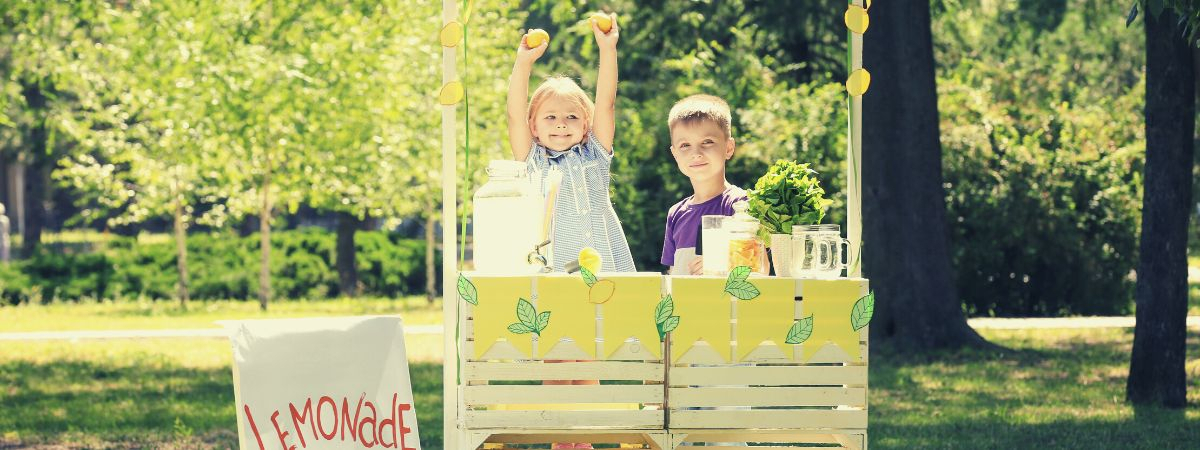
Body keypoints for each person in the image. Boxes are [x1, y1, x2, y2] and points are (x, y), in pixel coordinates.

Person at [508, 12, 635, 275]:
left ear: (586, 123)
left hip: (607, 266)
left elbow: (606, 104)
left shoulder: (595, 155)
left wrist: (608, 48)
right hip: (556, 270)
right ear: (533, 126)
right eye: (550, 117)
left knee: (614, 315)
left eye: (572, 116)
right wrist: (523, 63)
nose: (561, 124)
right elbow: (514, 116)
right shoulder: (533, 161)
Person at [661, 94, 748, 275]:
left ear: (729, 148)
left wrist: (720, 263)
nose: (696, 153)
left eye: (707, 142)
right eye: (685, 145)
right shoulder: (676, 214)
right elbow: (672, 275)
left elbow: (758, 269)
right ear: (675, 154)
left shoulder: (741, 204)